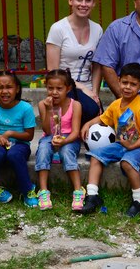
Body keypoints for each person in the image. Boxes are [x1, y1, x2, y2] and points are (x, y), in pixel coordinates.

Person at [79, 63, 140, 217]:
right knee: (95, 157)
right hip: (122, 144)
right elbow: (103, 119)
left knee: (127, 163)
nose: (128, 87)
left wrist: (132, 146)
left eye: (133, 84)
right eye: (125, 82)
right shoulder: (116, 104)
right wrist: (87, 123)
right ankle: (93, 196)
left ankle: (139, 201)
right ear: (118, 81)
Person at [46, 0, 102, 125]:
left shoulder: (98, 29)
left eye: (88, 0)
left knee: (96, 112)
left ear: (93, 3)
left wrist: (95, 92)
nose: (83, 4)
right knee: (88, 109)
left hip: (89, 88)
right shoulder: (58, 28)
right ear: (71, 0)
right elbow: (53, 70)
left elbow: (97, 65)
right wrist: (83, 89)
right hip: (66, 87)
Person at [0, 70, 38, 207]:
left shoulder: (25, 108)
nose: (4, 91)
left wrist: (10, 133)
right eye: (0, 87)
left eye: (9, 87)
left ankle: (27, 190)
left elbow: (29, 135)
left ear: (17, 88)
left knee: (14, 155)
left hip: (21, 143)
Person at [35, 69, 84, 212]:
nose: (54, 92)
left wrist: (64, 142)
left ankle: (78, 190)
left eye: (59, 88)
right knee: (43, 149)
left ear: (68, 89)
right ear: (46, 87)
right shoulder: (42, 104)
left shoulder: (75, 105)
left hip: (69, 138)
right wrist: (49, 110)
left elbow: (76, 132)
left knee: (67, 151)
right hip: (50, 137)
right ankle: (43, 191)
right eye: (50, 88)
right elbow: (47, 131)